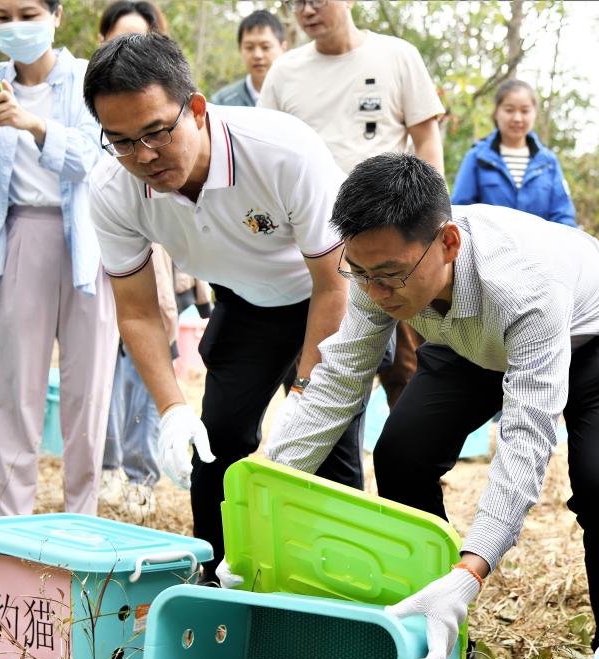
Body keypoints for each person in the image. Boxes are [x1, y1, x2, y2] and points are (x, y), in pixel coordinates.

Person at [263, 153, 599, 659]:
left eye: (389, 276)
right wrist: (265, 483)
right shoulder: (382, 266)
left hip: (597, 333)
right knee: (402, 455)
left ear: (447, 243)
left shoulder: (524, 284)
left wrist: (472, 568)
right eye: (361, 274)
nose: (375, 293)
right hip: (475, 339)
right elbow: (338, 380)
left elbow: (525, 437)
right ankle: (436, 630)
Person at [83, 33, 359, 579]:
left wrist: (306, 393)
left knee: (328, 453)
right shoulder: (112, 188)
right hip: (248, 305)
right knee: (215, 445)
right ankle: (213, 582)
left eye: (156, 132)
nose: (143, 156)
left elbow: (335, 283)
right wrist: (171, 410)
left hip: (329, 298)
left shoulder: (282, 149)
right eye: (120, 141)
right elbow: (137, 310)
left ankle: (339, 586)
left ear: (197, 109)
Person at [259, 0, 445, 409]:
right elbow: (265, 155)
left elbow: (427, 138)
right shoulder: (284, 72)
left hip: (390, 238)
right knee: (325, 362)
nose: (306, 10)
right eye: (295, 3)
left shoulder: (397, 56)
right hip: (312, 244)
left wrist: (429, 219)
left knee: (404, 366)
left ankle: (415, 464)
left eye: (317, 0)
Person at [0, 0, 116, 517]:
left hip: (89, 239)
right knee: (12, 392)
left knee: (88, 392)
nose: (15, 27)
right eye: (0, 17)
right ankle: (6, 528)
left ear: (57, 15)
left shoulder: (91, 80)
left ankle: (80, 522)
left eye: (26, 13)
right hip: (19, 235)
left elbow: (99, 158)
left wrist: (35, 126)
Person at [96, 0, 176, 522]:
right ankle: (109, 466)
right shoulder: (97, 106)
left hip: (156, 246)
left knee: (150, 350)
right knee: (108, 364)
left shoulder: (165, 121)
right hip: (103, 242)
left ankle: (145, 471)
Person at [452, 78, 577, 227]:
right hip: (489, 249)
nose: (517, 118)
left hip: (539, 249)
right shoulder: (477, 157)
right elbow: (460, 212)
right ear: (496, 112)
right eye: (509, 110)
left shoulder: (548, 162)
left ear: (534, 114)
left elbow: (563, 216)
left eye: (525, 111)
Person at [211, 10, 286, 108]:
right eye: (249, 47)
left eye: (265, 47)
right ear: (240, 48)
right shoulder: (222, 102)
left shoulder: (297, 94)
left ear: (283, 48)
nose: (257, 55)